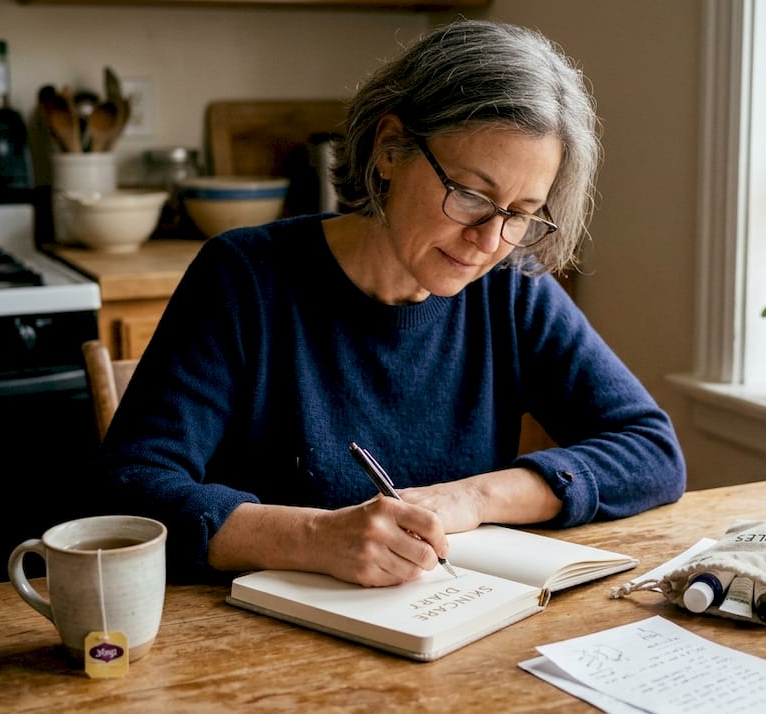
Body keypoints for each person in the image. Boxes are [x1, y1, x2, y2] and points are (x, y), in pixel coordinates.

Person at [96, 19, 686, 587]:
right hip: (250, 647)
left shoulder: (512, 288)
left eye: (521, 213)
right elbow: (129, 490)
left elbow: (651, 451)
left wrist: (472, 497)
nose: (489, 241)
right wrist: (314, 537)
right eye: (471, 194)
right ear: (390, 148)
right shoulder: (245, 277)